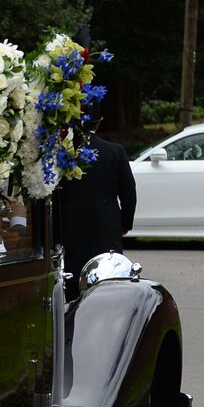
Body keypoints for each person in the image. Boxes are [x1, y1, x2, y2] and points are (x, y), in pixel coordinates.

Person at [54, 108, 137, 299]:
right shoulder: (115, 151)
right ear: (98, 123)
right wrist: (125, 224)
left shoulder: (62, 153)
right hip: (105, 225)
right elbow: (128, 192)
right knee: (107, 279)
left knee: (72, 280)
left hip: (69, 225)